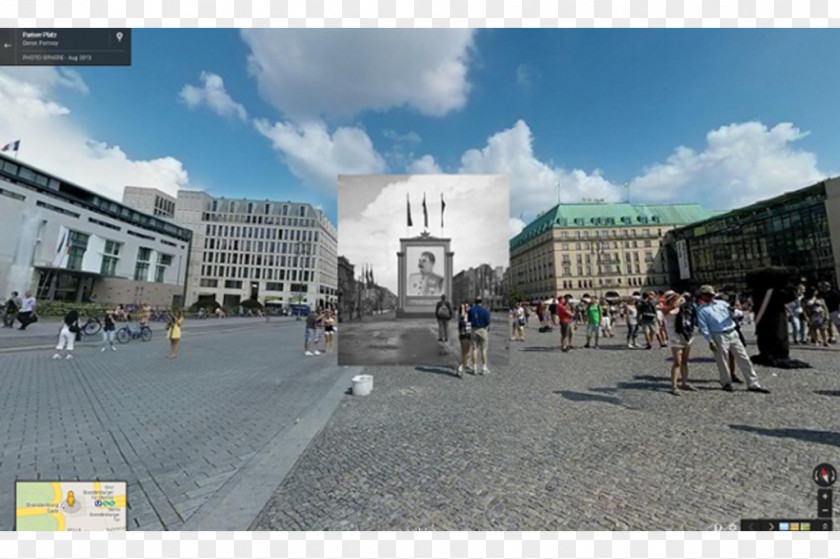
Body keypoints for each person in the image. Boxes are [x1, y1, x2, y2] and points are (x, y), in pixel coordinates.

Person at [695, 285, 770, 393]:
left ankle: (753, 383)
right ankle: (726, 383)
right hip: (718, 335)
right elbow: (703, 327)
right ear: (702, 296)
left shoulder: (722, 304)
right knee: (722, 361)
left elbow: (738, 315)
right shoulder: (701, 310)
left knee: (744, 358)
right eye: (707, 295)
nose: (710, 297)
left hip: (732, 332)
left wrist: (734, 310)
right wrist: (710, 340)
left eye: (711, 295)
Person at [662, 292, 697, 395]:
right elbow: (672, 307)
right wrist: (681, 296)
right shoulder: (666, 309)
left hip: (685, 335)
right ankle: (674, 385)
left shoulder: (683, 308)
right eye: (673, 298)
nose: (676, 299)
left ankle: (684, 382)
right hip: (674, 337)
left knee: (685, 361)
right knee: (677, 361)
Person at [468, 296, 491, 375]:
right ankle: (484, 368)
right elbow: (488, 321)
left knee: (474, 349)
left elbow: (468, 321)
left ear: (475, 301)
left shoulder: (471, 310)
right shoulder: (485, 310)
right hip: (482, 330)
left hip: (474, 329)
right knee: (484, 349)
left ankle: (475, 368)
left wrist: (468, 331)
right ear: (481, 302)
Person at [456, 303, 473, 377]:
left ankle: (466, 364)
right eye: (465, 307)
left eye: (467, 306)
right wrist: (463, 309)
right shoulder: (462, 316)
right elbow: (463, 323)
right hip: (464, 335)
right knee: (465, 352)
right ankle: (460, 367)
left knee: (468, 351)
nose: (467, 308)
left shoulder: (469, 315)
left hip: (468, 334)